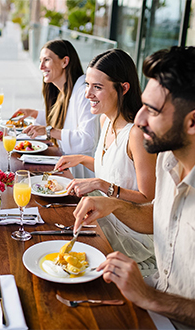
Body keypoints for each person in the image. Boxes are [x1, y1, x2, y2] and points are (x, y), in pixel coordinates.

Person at [72, 46, 195, 327]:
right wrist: (112, 204)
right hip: (153, 294)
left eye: (152, 110)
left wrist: (149, 297)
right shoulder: (167, 161)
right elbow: (157, 217)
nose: (139, 119)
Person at [55, 49, 156, 265]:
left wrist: (100, 184)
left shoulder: (136, 134)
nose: (88, 94)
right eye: (88, 85)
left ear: (123, 88)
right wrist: (82, 159)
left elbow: (148, 198)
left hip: (132, 234)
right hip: (106, 217)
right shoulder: (105, 121)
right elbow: (115, 169)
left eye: (97, 87)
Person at [11, 39, 100, 178]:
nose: (41, 67)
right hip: (64, 165)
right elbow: (66, 120)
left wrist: (49, 131)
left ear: (65, 62)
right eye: (40, 60)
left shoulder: (83, 92)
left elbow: (87, 140)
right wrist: (34, 113)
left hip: (81, 176)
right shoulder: (65, 92)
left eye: (46, 60)